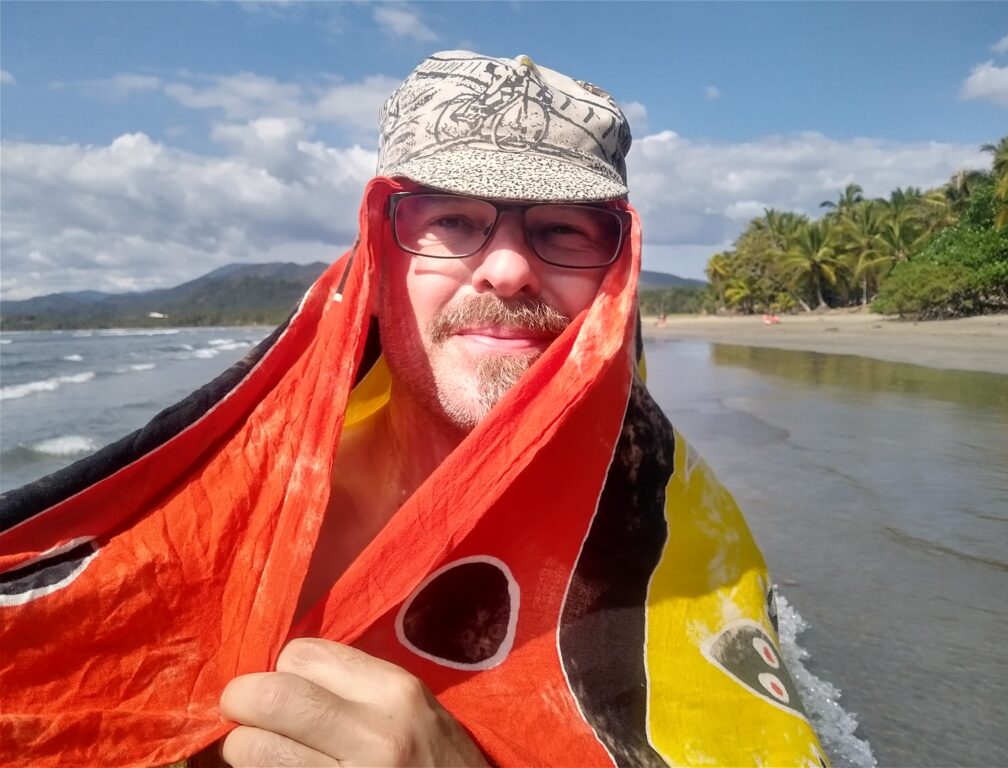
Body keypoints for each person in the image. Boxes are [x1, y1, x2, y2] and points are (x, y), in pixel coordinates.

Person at [0, 51, 827, 768]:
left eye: (565, 230)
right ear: (378, 259)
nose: (507, 269)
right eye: (453, 221)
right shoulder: (209, 506)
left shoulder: (681, 553)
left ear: (616, 277)